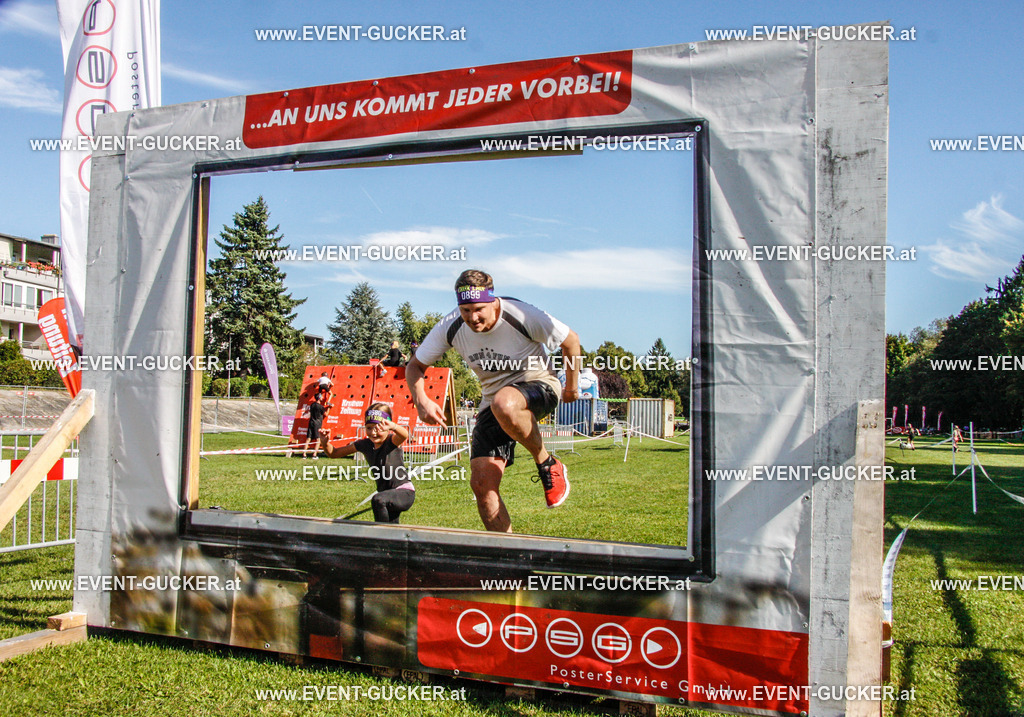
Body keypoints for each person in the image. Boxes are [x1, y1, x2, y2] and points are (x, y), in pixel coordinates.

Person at [406, 269, 580, 533]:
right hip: (493, 403)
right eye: (465, 310)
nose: (472, 318)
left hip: (540, 385)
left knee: (505, 402)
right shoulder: (450, 326)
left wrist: (571, 388)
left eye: (478, 309)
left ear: (492, 301)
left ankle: (547, 463)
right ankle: (511, 560)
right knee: (482, 487)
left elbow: (571, 341)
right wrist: (422, 400)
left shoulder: (521, 315)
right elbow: (415, 366)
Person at [319, 403, 415, 524]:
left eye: (378, 428)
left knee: (378, 500)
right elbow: (334, 453)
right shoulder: (364, 444)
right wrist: (325, 442)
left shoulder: (391, 441)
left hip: (404, 492)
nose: (373, 433)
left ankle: (379, 536)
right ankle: (391, 540)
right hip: (386, 494)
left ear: (387, 427)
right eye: (369, 428)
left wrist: (394, 426)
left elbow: (404, 435)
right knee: (393, 527)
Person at [304, 391, 327, 458]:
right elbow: (326, 414)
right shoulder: (321, 407)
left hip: (311, 422)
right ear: (319, 398)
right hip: (317, 423)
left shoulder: (312, 405)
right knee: (318, 439)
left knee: (308, 439)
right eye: (321, 396)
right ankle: (314, 454)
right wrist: (329, 408)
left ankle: (304, 454)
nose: (322, 397)